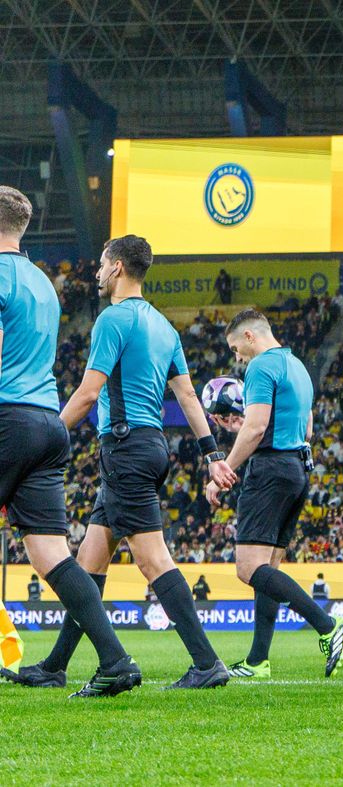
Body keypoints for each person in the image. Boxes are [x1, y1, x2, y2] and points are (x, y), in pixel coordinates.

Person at [11, 235, 234, 692]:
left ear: (115, 268)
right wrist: (212, 453)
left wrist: (51, 432)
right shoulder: (163, 326)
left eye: (100, 264)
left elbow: (90, 392)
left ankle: (207, 662)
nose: (96, 272)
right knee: (89, 562)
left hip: (125, 449)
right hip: (150, 447)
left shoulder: (112, 320)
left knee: (152, 560)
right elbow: (188, 396)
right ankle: (54, 666)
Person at [0, 188, 139, 697]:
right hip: (45, 421)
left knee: (51, 555)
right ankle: (116, 661)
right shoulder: (42, 282)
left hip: (6, 416)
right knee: (51, 555)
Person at [204, 309, 343, 680]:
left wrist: (224, 469)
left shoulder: (260, 367)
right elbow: (309, 427)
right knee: (268, 568)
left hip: (270, 470)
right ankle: (258, 661)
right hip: (298, 468)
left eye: (236, 348)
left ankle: (328, 626)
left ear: (250, 337)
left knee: (248, 568)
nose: (237, 357)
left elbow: (254, 429)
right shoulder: (297, 366)